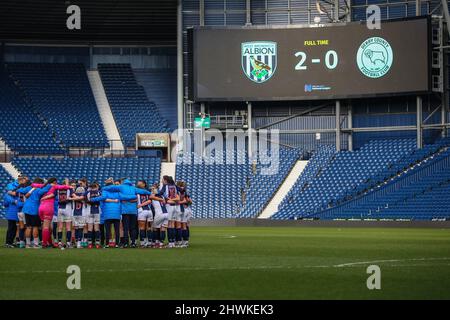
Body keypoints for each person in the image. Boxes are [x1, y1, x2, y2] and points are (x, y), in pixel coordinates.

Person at [101, 179, 151, 248]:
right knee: (133, 228)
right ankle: (133, 243)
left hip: (125, 211)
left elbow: (111, 187)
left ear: (124, 183)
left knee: (125, 228)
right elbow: (143, 191)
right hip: (133, 211)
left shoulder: (121, 187)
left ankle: (126, 243)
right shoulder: (133, 188)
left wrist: (103, 188)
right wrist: (150, 193)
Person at [91, 178, 136, 248]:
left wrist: (93, 199)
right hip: (117, 213)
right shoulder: (118, 192)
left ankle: (107, 244)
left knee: (108, 230)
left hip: (107, 213)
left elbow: (102, 198)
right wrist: (133, 197)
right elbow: (124, 197)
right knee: (117, 230)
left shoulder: (105, 191)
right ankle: (117, 244)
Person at [32, 178, 72, 248]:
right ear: (54, 182)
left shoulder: (43, 186)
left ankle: (50, 243)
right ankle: (44, 244)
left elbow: (33, 184)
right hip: (48, 207)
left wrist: (43, 184)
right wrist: (68, 185)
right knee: (46, 227)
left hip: (41, 207)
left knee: (48, 227)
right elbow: (64, 187)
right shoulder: (54, 186)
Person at [16, 178, 51, 248]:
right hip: (34, 210)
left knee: (28, 227)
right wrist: (47, 184)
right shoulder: (38, 190)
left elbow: (20, 190)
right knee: (35, 227)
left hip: (26, 209)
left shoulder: (28, 188)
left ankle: (28, 244)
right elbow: (47, 189)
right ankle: (35, 244)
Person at [160, 176, 180, 248]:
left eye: (163, 179)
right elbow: (180, 193)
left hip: (169, 206)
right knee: (172, 224)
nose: (162, 181)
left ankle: (170, 242)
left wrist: (167, 198)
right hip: (174, 206)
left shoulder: (165, 186)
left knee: (168, 224)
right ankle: (172, 242)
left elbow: (161, 193)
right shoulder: (174, 186)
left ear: (165, 180)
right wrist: (173, 199)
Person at [56, 179, 74, 248]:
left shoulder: (58, 190)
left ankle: (60, 242)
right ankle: (68, 243)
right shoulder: (69, 189)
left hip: (60, 208)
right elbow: (72, 195)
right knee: (68, 227)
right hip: (67, 208)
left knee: (60, 227)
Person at [3, 183, 22, 247]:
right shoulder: (12, 197)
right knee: (11, 229)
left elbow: (5, 204)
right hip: (12, 215)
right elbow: (18, 204)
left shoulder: (9, 196)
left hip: (13, 215)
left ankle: (10, 242)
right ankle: (8, 243)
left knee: (13, 229)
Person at [150, 182, 168, 248]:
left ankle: (155, 242)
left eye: (153, 188)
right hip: (166, 213)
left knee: (154, 228)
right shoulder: (162, 195)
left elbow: (151, 197)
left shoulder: (153, 195)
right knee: (163, 228)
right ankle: (161, 243)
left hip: (159, 214)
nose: (152, 189)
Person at [136, 180, 152, 248]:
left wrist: (140, 205)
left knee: (142, 227)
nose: (138, 183)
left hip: (141, 211)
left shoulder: (136, 191)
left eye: (140, 182)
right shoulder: (147, 192)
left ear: (144, 184)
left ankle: (143, 243)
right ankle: (149, 242)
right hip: (149, 211)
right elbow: (149, 200)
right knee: (148, 227)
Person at [86, 182, 102, 249]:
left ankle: (89, 243)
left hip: (89, 211)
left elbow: (86, 201)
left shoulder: (88, 193)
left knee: (89, 228)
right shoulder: (99, 192)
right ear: (96, 187)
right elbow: (100, 200)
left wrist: (91, 201)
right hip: (97, 211)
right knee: (96, 228)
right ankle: (97, 244)